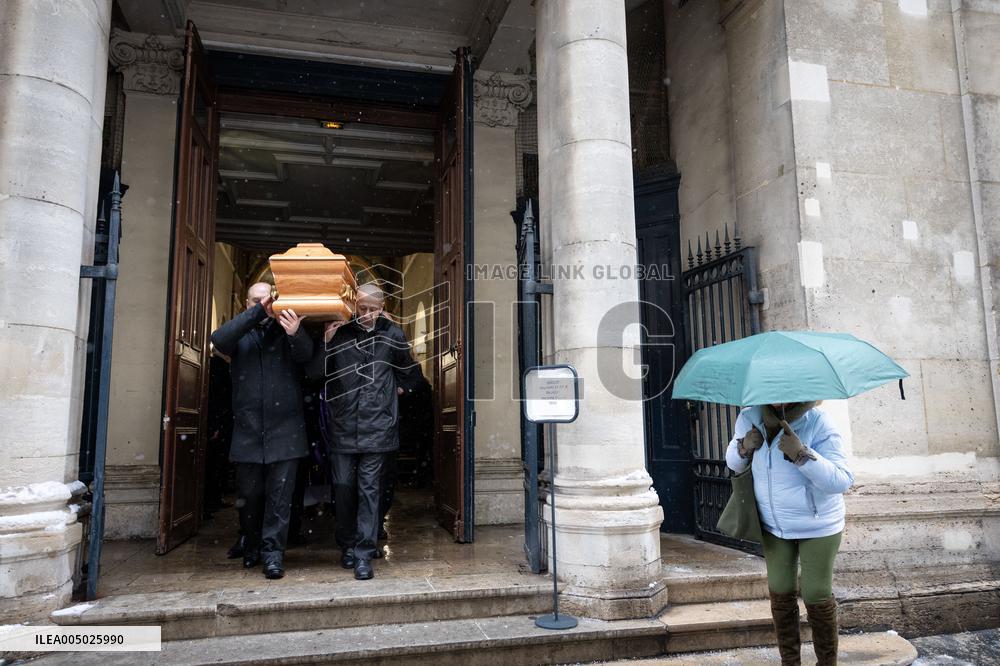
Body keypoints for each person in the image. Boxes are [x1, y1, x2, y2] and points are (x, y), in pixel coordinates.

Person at [725, 401, 854, 666]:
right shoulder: (750, 416)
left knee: (816, 593)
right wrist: (743, 447)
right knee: (780, 591)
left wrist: (802, 455)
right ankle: (790, 662)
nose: (776, 396)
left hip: (818, 525)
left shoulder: (818, 421)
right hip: (774, 525)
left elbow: (842, 480)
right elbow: (734, 464)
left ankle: (827, 663)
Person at [307, 283, 422, 580]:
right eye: (362, 309)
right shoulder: (340, 332)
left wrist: (398, 389)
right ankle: (346, 544)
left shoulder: (393, 334)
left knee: (370, 490)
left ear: (382, 308)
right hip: (343, 426)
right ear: (354, 306)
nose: (367, 315)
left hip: (378, 427)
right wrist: (327, 342)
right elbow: (315, 374)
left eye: (373, 309)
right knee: (344, 488)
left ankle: (362, 553)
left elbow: (412, 373)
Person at [210, 282, 312, 580]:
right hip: (248, 431)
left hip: (286, 431)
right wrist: (257, 313)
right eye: (257, 301)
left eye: (268, 300)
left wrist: (295, 334)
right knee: (250, 497)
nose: (264, 306)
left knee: (280, 500)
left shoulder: (287, 329)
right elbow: (219, 339)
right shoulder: (239, 334)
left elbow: (309, 360)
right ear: (246, 303)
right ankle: (251, 546)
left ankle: (273, 555)